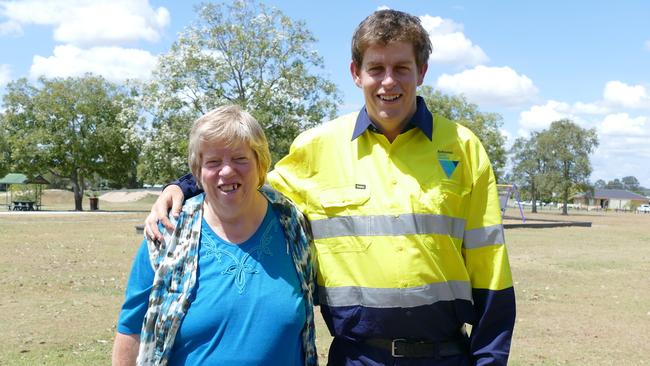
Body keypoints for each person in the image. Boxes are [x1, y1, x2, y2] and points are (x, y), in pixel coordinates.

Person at [146, 9, 515, 365]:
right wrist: (183, 186)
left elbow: (492, 274)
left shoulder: (464, 149)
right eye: (376, 68)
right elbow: (248, 182)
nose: (389, 81)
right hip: (356, 357)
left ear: (422, 72)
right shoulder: (318, 147)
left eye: (401, 68)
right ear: (356, 73)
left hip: (445, 356)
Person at [112, 105, 317, 365]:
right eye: (213, 162)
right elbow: (131, 328)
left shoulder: (292, 227)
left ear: (260, 163)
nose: (227, 171)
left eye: (240, 159)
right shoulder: (167, 235)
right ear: (197, 172)